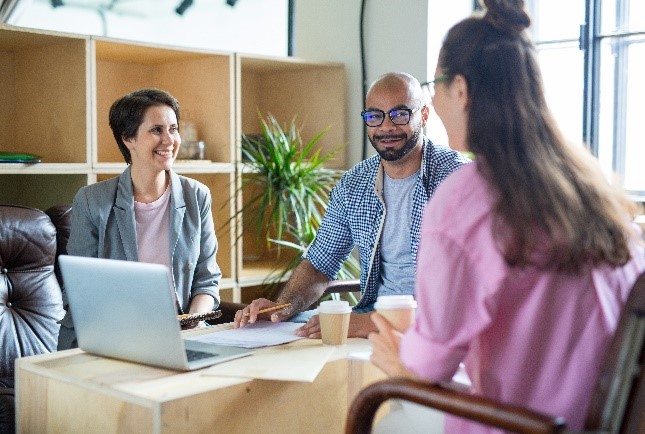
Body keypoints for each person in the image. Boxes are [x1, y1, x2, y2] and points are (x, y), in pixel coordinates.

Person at [368, 1, 645, 432]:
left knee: (389, 418)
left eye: (435, 86)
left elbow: (430, 364)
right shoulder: (592, 191)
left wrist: (397, 358)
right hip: (598, 422)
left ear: (460, 89)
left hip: (525, 424)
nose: (435, 101)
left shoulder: (465, 197)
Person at [234, 72, 470, 338]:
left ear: (424, 116)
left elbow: (466, 295)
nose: (386, 127)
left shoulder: (458, 179)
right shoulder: (354, 184)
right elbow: (319, 264)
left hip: (432, 331)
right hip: (368, 327)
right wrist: (282, 308)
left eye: (400, 114)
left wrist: (370, 322)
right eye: (374, 116)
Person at [58, 88, 221, 350]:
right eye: (156, 130)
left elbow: (207, 280)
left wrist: (196, 320)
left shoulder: (197, 196)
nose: (169, 140)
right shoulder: (92, 200)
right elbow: (79, 290)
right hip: (107, 336)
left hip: (181, 336)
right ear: (128, 139)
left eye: (173, 129)